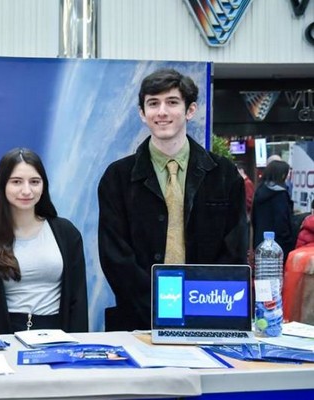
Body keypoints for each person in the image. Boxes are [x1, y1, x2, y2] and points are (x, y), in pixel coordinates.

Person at [97, 69, 248, 332]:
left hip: (208, 313)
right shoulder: (117, 177)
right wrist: (160, 307)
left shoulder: (223, 175)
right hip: (138, 320)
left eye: (172, 102)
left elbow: (234, 249)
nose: (162, 112)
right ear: (142, 113)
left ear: (190, 110)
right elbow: (115, 256)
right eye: (153, 103)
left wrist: (197, 303)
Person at [0, 148, 88, 334]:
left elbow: (78, 300)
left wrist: (76, 344)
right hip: (4, 338)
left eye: (34, 182)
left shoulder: (66, 233)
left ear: (43, 185)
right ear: (2, 185)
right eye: (16, 182)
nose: (26, 190)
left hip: (57, 337)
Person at [252, 159, 294, 257]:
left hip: (260, 242)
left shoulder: (259, 190)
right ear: (282, 175)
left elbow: (254, 219)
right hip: (278, 245)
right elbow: (282, 221)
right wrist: (288, 240)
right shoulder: (280, 194)